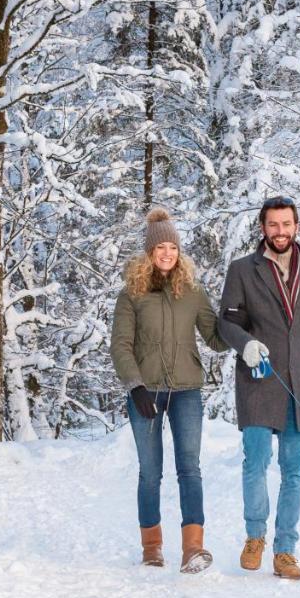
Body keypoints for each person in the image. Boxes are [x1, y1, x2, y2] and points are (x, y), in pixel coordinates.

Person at [218, 195, 300, 580]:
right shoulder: (243, 269)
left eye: (286, 224)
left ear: (296, 226)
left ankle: (285, 551)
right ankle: (255, 537)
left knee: (294, 470)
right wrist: (245, 344)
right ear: (263, 227)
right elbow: (225, 322)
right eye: (273, 225)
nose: (280, 231)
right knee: (256, 462)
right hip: (259, 378)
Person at [110, 207, 228, 573]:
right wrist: (135, 386)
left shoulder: (191, 292)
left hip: (186, 391)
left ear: (179, 252)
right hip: (145, 394)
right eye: (160, 247)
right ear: (149, 252)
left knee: (189, 468)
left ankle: (193, 549)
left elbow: (215, 338)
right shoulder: (131, 295)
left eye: (172, 248)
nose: (167, 253)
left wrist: (240, 321)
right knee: (150, 471)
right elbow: (120, 345)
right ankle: (152, 547)